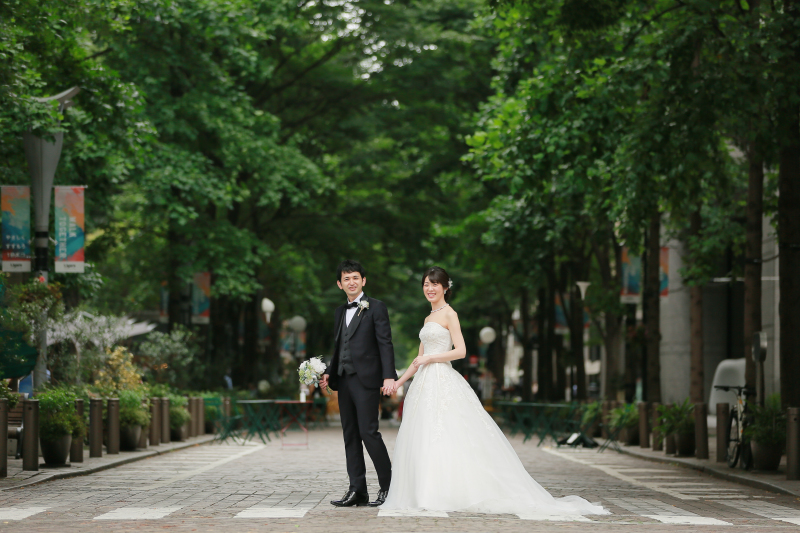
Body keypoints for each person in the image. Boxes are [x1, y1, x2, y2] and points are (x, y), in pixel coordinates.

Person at [382, 266, 608, 516]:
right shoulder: (427, 319)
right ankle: (423, 491)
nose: (430, 288)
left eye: (435, 284)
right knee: (424, 435)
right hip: (424, 385)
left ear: (446, 287)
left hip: (442, 379)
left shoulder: (450, 314)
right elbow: (417, 359)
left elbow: (461, 351)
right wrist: (398, 382)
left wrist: (431, 358)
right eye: (426, 284)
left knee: (447, 433)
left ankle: (445, 491)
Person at [320, 260, 397, 508]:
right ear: (339, 284)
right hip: (344, 379)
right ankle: (358, 490)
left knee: (369, 433)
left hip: (367, 380)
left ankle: (388, 487)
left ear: (363, 280)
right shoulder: (339, 312)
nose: (351, 282)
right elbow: (338, 346)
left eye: (355, 277)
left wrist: (389, 376)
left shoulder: (376, 307)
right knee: (350, 435)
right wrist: (330, 373)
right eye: (346, 278)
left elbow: (385, 343)